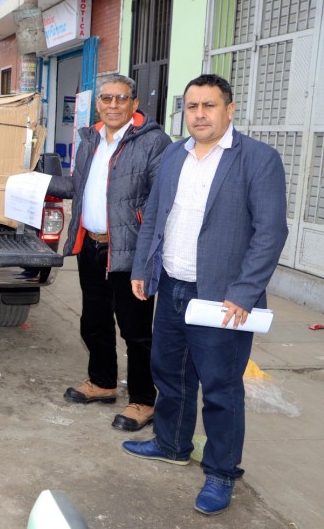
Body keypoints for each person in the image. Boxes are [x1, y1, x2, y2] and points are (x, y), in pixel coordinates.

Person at [125, 74, 288, 515]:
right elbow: (155, 214)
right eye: (192, 106)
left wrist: (244, 292)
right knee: (170, 373)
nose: (199, 114)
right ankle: (172, 443)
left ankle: (221, 471)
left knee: (220, 387)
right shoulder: (174, 154)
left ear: (229, 110)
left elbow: (270, 233)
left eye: (209, 106)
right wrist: (143, 268)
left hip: (222, 299)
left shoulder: (258, 159)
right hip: (172, 285)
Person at [48, 74, 171, 431]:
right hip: (91, 245)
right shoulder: (90, 139)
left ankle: (143, 400)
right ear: (98, 104)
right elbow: (77, 186)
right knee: (94, 321)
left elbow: (160, 200)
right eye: (107, 98)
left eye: (121, 98)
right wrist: (36, 182)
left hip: (129, 250)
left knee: (136, 331)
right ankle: (102, 382)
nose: (113, 105)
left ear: (134, 103)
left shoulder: (154, 142)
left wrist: (147, 251)